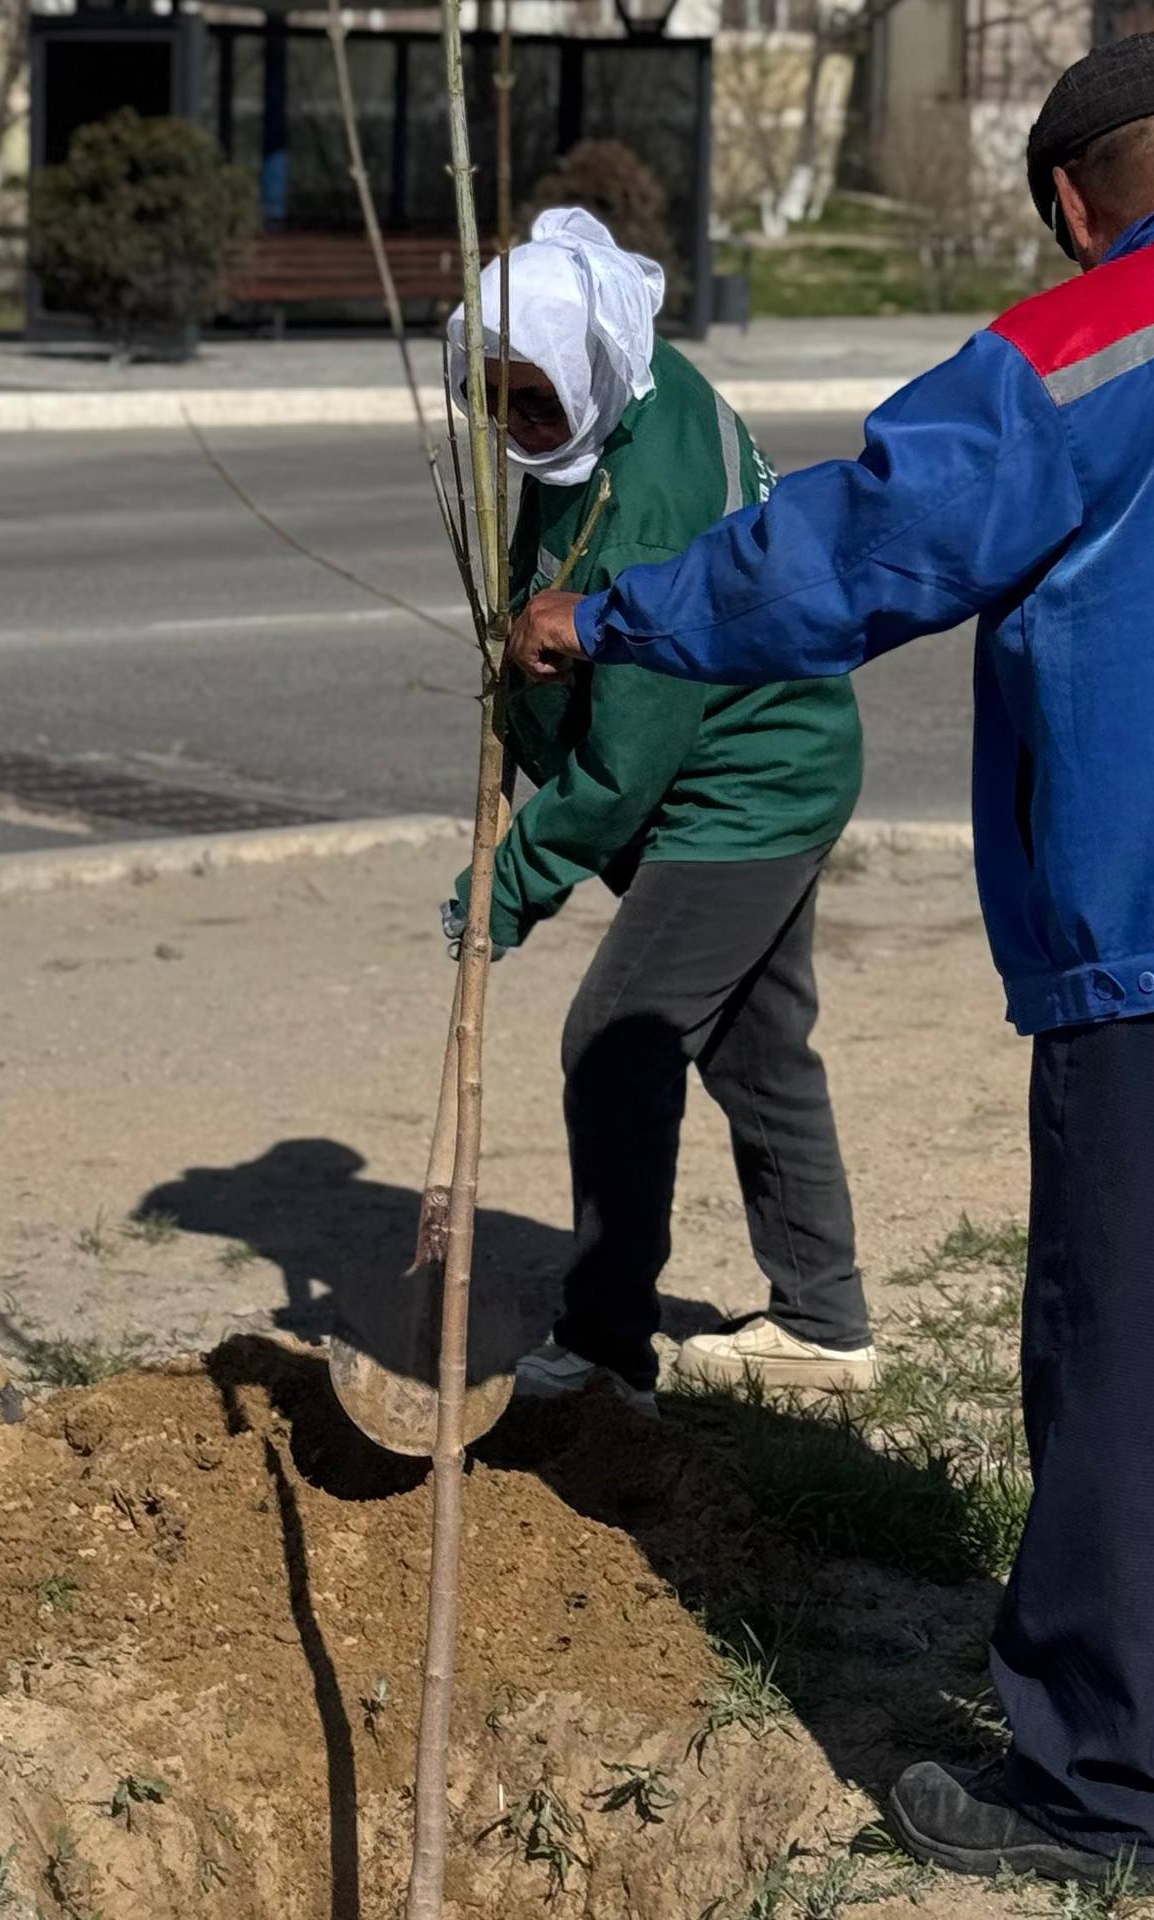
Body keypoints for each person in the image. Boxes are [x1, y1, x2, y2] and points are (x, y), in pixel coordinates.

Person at [509, 35, 1154, 1920]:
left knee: (1131, 1380)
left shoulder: (1073, 355)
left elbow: (843, 558)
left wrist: (614, 613)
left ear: (1071, 204)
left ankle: (1091, 1793)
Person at [440, 209, 876, 1419]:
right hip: (775, 750)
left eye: (535, 403)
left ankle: (603, 1346)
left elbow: (624, 771)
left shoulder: (643, 512)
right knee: (755, 1046)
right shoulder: (634, 372)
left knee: (615, 1036)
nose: (515, 429)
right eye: (490, 403)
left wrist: (504, 888)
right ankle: (823, 1327)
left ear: (586, 368)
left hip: (738, 787)